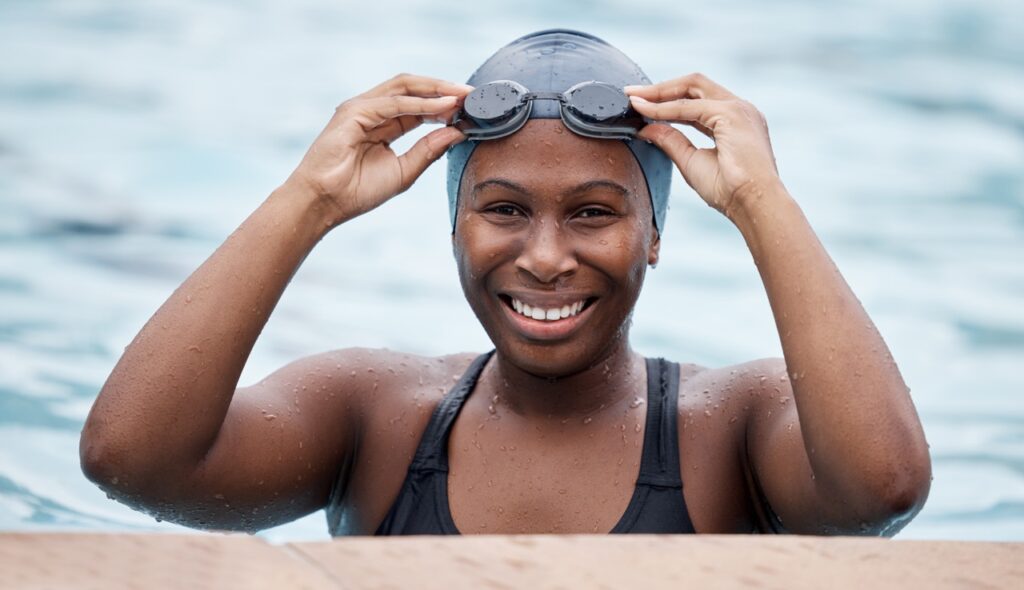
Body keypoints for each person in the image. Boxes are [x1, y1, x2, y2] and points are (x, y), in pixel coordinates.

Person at [80, 29, 931, 536]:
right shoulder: (374, 417)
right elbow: (133, 460)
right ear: (455, 226)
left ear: (655, 234)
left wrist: (760, 202)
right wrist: (308, 202)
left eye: (595, 213)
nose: (547, 256)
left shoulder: (729, 430)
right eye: (505, 210)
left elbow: (882, 489)